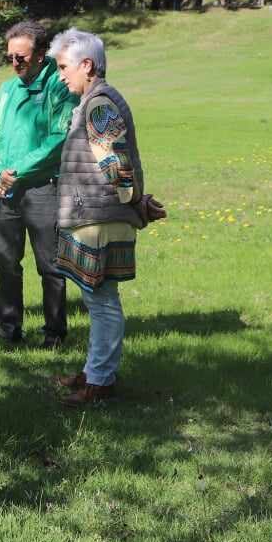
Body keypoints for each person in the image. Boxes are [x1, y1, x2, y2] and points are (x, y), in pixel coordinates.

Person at [47, 28, 164, 407]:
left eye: (64, 67)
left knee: (102, 302)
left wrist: (133, 203)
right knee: (98, 301)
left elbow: (115, 161)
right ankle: (94, 373)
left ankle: (100, 383)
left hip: (99, 216)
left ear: (87, 65)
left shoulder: (99, 103)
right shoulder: (93, 101)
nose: (60, 75)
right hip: (94, 213)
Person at [0, 19, 78, 348]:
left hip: (42, 188)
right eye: (10, 57)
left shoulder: (58, 86)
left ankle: (54, 333)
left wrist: (17, 169)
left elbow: (57, 138)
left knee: (50, 264)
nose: (15, 63)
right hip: (6, 190)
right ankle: (8, 328)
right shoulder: (7, 89)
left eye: (21, 57)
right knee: (5, 261)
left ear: (40, 55)